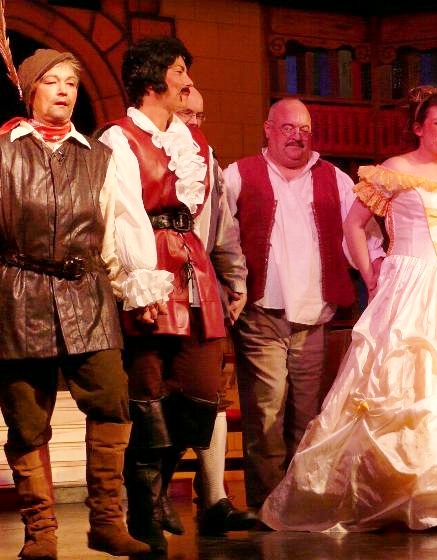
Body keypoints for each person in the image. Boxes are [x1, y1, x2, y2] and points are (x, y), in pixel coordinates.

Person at [259, 86, 437, 531]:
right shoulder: (394, 170)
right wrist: (371, 273)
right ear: (418, 127)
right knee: (405, 382)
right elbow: (353, 226)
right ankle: (397, 490)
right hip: (410, 283)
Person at [0, 49, 150, 558]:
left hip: (86, 292)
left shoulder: (100, 158)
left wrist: (134, 286)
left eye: (71, 83)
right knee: (27, 420)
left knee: (111, 399)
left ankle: (107, 520)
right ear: (31, 90)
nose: (64, 90)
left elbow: (119, 230)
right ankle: (40, 531)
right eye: (52, 81)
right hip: (17, 295)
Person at [98, 37, 254, 555]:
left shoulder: (196, 145)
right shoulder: (119, 139)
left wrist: (229, 277)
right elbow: (119, 217)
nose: (188, 81)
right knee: (149, 399)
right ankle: (144, 513)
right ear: (152, 81)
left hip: (194, 273)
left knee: (200, 397)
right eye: (179, 71)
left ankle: (158, 491)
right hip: (149, 272)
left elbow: (216, 221)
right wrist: (135, 283)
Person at [223, 97, 384, 512]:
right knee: (266, 412)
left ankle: (298, 503)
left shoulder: (336, 179)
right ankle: (266, 505)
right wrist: (231, 284)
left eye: (305, 129)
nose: (298, 136)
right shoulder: (239, 174)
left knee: (308, 415)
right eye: (288, 128)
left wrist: (378, 270)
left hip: (314, 316)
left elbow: (362, 234)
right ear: (268, 129)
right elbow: (221, 236)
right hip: (262, 313)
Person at [174, 86, 251, 536]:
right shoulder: (141, 150)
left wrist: (235, 281)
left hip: (205, 290)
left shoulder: (208, 159)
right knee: (164, 396)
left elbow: (223, 228)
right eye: (186, 114)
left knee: (215, 393)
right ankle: (151, 500)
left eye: (199, 116)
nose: (194, 123)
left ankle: (215, 497)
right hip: (159, 291)